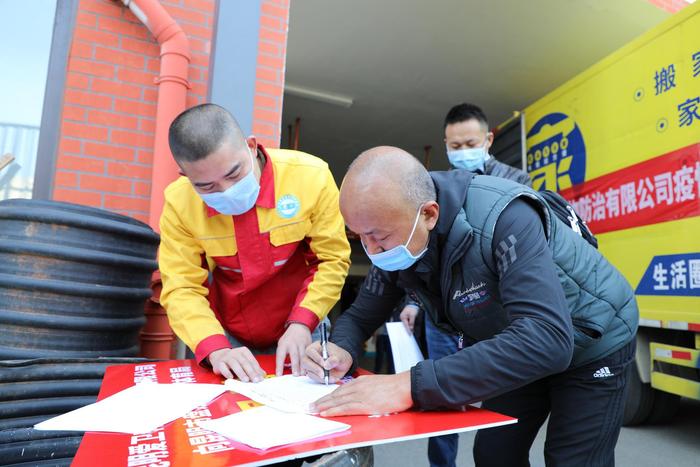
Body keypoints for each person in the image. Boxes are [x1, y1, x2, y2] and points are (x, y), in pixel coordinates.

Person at [303, 147, 638, 467]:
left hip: (594, 339)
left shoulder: (506, 217)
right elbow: (362, 315)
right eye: (359, 237)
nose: (371, 250)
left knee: (572, 460)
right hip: (516, 340)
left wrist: (409, 385)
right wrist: (338, 348)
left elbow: (546, 338)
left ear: (429, 214)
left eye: (378, 236)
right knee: (495, 455)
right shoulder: (398, 236)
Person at [159, 103, 351, 382]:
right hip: (227, 335)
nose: (226, 191)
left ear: (251, 146)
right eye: (207, 186)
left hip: (301, 325)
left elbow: (331, 259)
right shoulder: (179, 203)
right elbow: (182, 286)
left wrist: (303, 321)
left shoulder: (311, 177)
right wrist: (215, 349)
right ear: (186, 177)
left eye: (234, 174)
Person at [399, 102, 533, 466]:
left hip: (495, 314)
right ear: (444, 144)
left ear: (488, 139)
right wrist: (414, 301)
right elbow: (425, 254)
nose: (461, 153)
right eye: (453, 147)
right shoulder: (435, 189)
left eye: (469, 144)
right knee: (442, 399)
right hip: (448, 313)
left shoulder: (516, 183)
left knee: (503, 409)